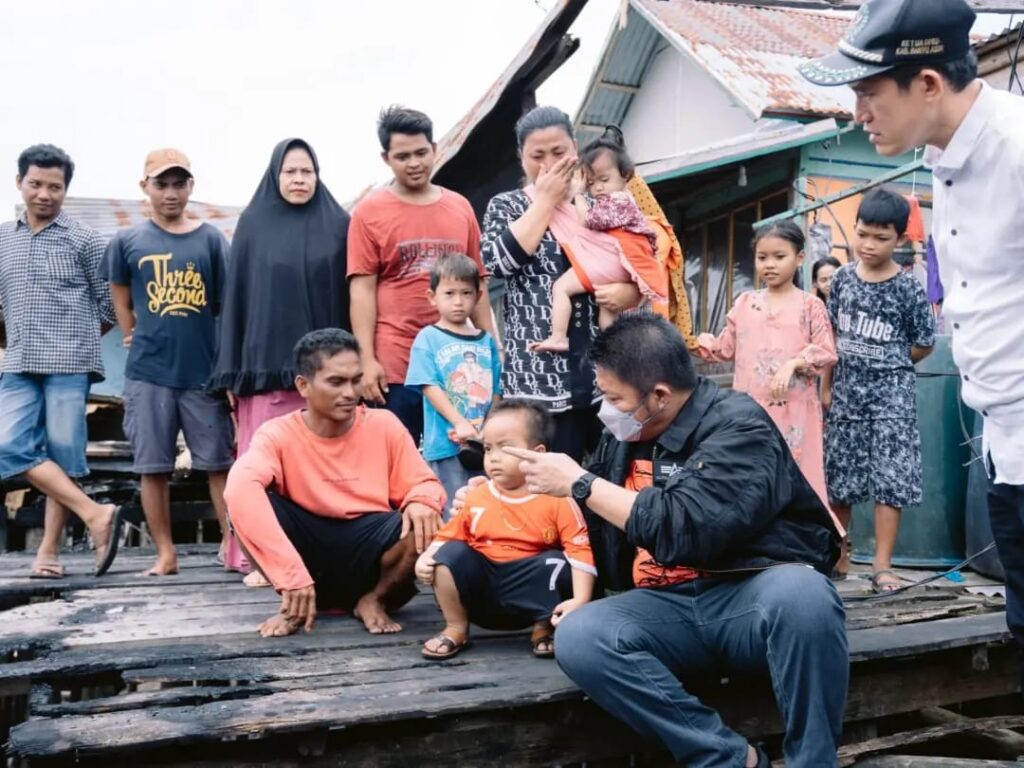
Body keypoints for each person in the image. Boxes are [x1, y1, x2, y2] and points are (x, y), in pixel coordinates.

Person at [500, 314, 845, 767]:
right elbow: (587, 519)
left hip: (745, 601)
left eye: (614, 397)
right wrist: (512, 503)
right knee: (582, 636)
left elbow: (688, 528)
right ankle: (728, 757)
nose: (606, 408)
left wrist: (581, 482)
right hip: (666, 610)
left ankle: (813, 761)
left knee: (805, 597)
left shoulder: (739, 426)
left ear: (659, 396)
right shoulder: (623, 435)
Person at [804, 0, 1024, 633]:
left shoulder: (1013, 149)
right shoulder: (945, 160)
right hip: (1004, 450)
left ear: (927, 84)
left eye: (870, 93)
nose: (858, 114)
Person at [223, 329, 446, 638]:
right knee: (243, 506)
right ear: (303, 385)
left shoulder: (384, 424)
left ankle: (374, 600)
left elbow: (424, 482)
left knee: (427, 518)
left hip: (373, 552)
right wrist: (291, 576)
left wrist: (422, 499)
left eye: (356, 380)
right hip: (305, 557)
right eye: (336, 382)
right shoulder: (277, 433)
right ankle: (293, 605)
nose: (351, 392)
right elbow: (239, 486)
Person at [209, 138, 351, 575]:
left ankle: (319, 554)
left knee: (320, 465)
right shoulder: (253, 224)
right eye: (290, 172)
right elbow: (235, 302)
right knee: (263, 464)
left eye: (306, 171)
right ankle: (256, 555)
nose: (299, 179)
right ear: (275, 175)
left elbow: (353, 296)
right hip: (266, 369)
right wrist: (232, 369)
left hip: (325, 373)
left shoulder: (339, 223)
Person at [481, 106, 641, 461]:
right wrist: (546, 201)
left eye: (559, 152)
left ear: (575, 146)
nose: (549, 164)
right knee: (551, 487)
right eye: (537, 156)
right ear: (521, 157)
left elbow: (642, 259)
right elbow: (499, 265)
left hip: (608, 372)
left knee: (615, 477)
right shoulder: (505, 206)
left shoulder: (602, 198)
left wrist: (629, 293)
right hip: (539, 379)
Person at [103, 149, 234, 576]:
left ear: (191, 186)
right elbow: (120, 294)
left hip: (202, 373)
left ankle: (235, 547)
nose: (171, 193)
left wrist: (225, 363)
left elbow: (224, 305)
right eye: (162, 184)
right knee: (152, 466)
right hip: (148, 373)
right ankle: (166, 554)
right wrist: (128, 331)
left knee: (219, 464)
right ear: (145, 188)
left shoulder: (212, 239)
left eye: (180, 183)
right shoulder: (127, 241)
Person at [0, 144, 124, 578]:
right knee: (6, 446)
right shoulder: (2, 239)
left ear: (66, 190)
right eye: (35, 184)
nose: (44, 194)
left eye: (55, 187)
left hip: (69, 366)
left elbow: (111, 307)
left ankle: (48, 554)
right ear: (20, 183)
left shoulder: (86, 240)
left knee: (63, 457)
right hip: (16, 363)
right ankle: (96, 514)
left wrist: (79, 340)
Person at [348, 106, 494, 445]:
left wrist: (491, 347)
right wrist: (367, 360)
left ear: (434, 149)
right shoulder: (369, 213)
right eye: (402, 156)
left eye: (420, 152)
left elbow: (479, 285)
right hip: (398, 365)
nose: (414, 163)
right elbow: (362, 291)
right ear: (386, 158)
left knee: (461, 464)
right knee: (400, 461)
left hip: (460, 364)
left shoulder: (460, 207)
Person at [415, 400, 595, 660]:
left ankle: (542, 629)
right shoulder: (477, 496)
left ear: (538, 452)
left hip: (532, 598)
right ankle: (455, 627)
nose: (494, 457)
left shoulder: (558, 498)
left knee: (556, 562)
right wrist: (426, 557)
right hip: (482, 597)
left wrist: (581, 600)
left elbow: (579, 550)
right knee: (448, 556)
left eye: (505, 448)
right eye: (488, 449)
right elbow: (449, 535)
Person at [821, 189, 935, 591]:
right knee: (840, 479)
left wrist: (891, 362)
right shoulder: (841, 280)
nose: (869, 245)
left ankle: (882, 565)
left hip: (892, 398)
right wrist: (826, 387)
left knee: (891, 480)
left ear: (900, 240)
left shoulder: (908, 288)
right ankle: (836, 555)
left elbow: (924, 340)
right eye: (863, 234)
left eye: (880, 238)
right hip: (847, 393)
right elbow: (829, 337)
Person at [696, 221, 840, 533]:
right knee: (751, 477)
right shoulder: (745, 302)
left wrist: (793, 364)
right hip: (749, 410)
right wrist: (696, 341)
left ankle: (807, 548)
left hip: (796, 413)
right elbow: (724, 348)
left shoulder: (810, 305)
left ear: (799, 258)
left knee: (799, 479)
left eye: (779, 256)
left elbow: (827, 351)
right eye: (763, 257)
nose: (769, 264)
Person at [529, 131, 666, 353]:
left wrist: (581, 194)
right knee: (607, 311)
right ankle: (614, 347)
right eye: (592, 182)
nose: (599, 188)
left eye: (604, 179)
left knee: (561, 287)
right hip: (621, 266)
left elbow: (588, 220)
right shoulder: (626, 202)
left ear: (625, 175)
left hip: (609, 263)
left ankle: (558, 336)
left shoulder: (618, 201)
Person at [404, 254, 501, 513]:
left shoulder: (486, 340)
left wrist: (488, 429)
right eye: (449, 293)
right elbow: (428, 385)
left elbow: (497, 391)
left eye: (466, 293)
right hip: (446, 446)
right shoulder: (428, 338)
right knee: (451, 512)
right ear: (432, 297)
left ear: (478, 296)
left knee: (484, 509)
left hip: (483, 445)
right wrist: (459, 421)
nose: (458, 301)